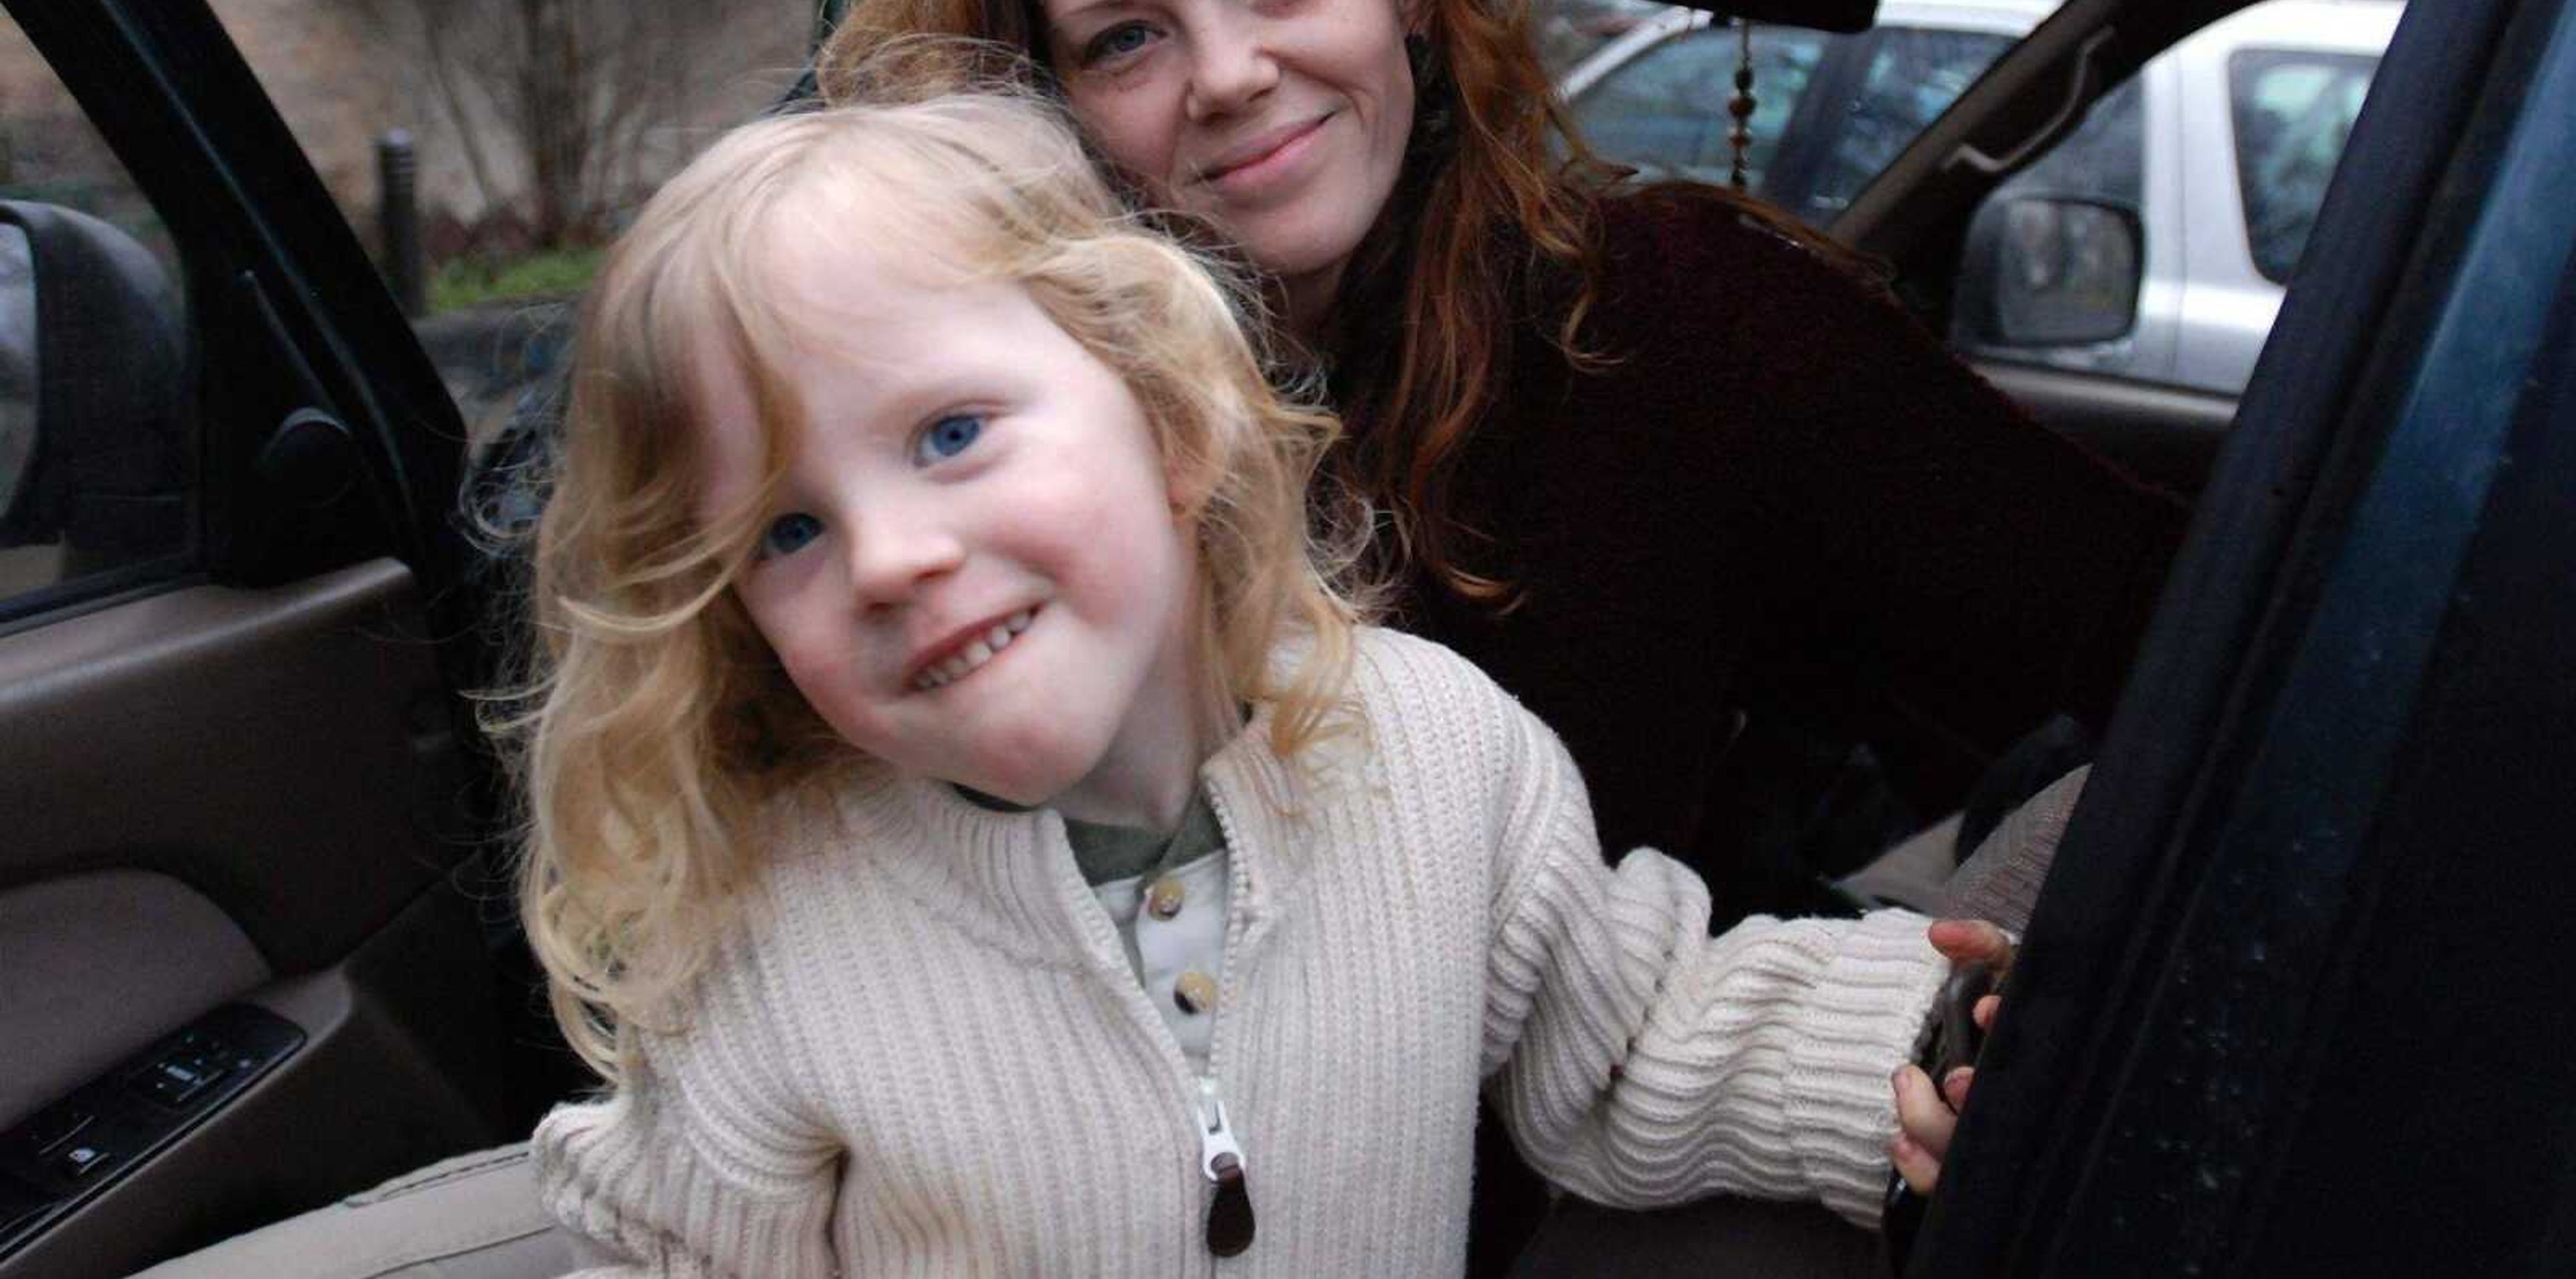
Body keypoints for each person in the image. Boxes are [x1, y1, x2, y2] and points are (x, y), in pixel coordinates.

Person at [504, 93, 2004, 1276]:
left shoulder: (1427, 748)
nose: (887, 557)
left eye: (950, 433)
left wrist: (1917, 1038)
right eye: (787, 529)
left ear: (1166, 417)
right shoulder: (776, 938)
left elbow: (1625, 1040)